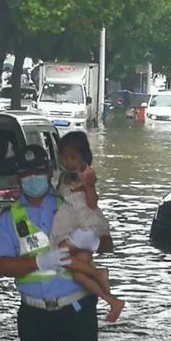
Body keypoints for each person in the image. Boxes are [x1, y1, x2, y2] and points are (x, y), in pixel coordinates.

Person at [0, 145, 108, 341]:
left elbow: (107, 244)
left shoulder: (73, 203)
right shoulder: (9, 218)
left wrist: (87, 238)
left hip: (77, 308)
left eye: (38, 172)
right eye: (26, 173)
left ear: (50, 172)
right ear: (19, 178)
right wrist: (39, 263)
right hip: (34, 315)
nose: (32, 178)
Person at [51, 131, 124, 322]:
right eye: (64, 157)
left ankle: (99, 273)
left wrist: (89, 187)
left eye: (72, 157)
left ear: (84, 156)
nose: (67, 161)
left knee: (61, 255)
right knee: (78, 274)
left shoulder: (87, 175)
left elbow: (92, 204)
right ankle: (112, 301)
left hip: (87, 226)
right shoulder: (63, 176)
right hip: (72, 226)